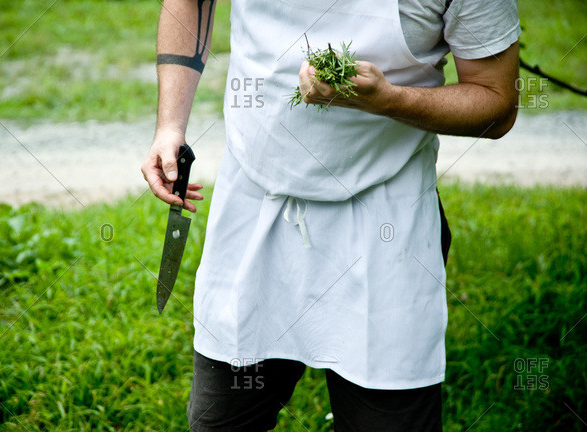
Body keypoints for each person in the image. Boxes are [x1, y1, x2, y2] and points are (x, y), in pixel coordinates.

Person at [141, 0, 520, 430]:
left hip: (386, 218)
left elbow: (497, 101)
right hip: (253, 198)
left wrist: (388, 100)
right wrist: (170, 125)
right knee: (223, 422)